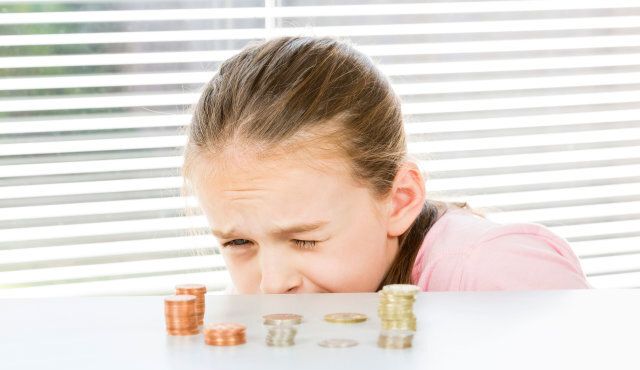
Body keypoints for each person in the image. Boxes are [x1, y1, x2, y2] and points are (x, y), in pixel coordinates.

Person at [182, 35, 590, 294]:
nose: (272, 285)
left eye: (305, 240)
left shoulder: (497, 272)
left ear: (399, 200)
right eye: (239, 243)